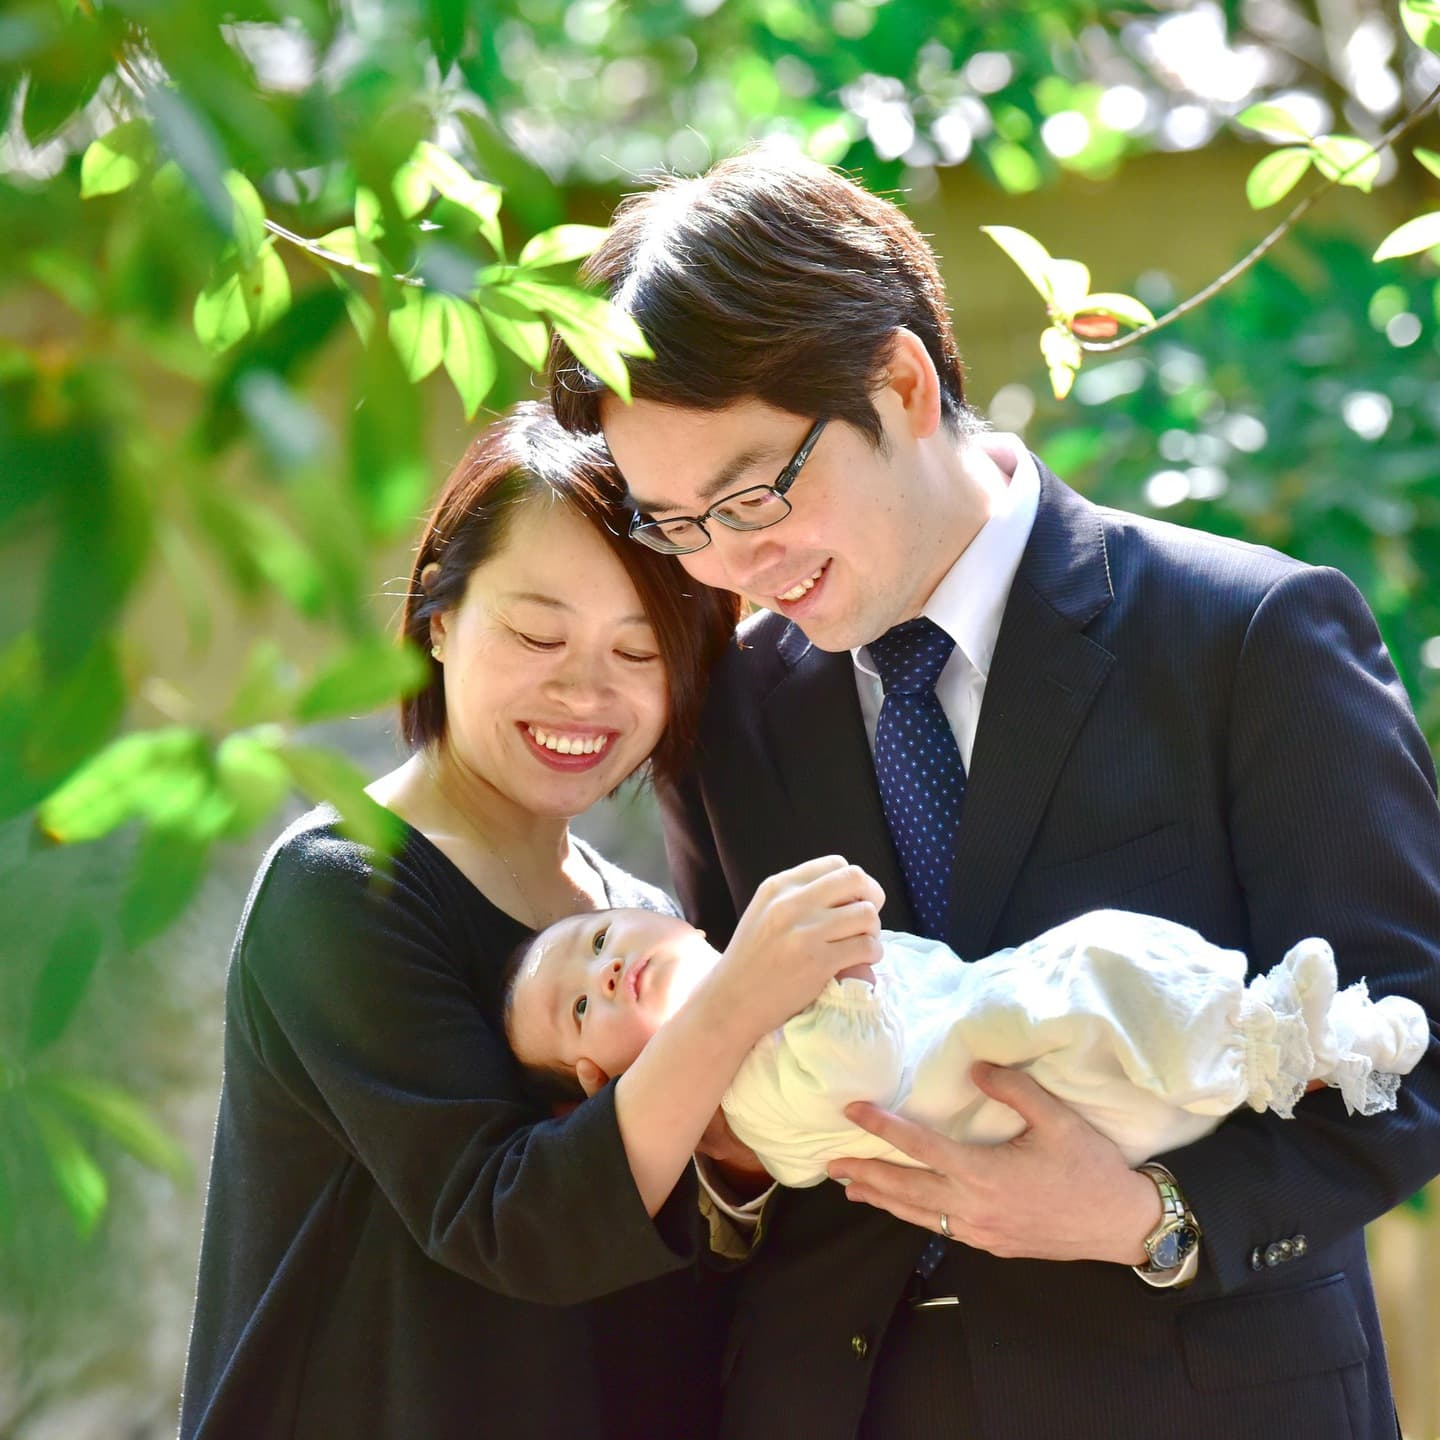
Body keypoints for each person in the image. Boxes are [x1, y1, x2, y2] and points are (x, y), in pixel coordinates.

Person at [549, 149, 1440, 1439]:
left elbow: (1417, 1043)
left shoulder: (1246, 635)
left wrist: (1151, 1218)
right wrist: (725, 1145)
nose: (734, 562)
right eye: (677, 524)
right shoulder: (729, 718)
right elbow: (750, 1108)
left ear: (902, 384)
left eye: (752, 491)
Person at [178, 402, 888, 1439]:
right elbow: (505, 1223)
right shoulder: (343, 887)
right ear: (438, 617)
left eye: (639, 652)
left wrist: (736, 1166)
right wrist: (733, 1005)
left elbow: (680, 1274)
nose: (584, 692)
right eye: (537, 633)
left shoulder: (638, 921)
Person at [503, 898, 1429, 1187]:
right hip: (1049, 1092)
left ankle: (1306, 1035)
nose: (606, 972)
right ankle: (1274, 1045)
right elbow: (858, 1074)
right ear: (601, 1077)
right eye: (579, 1006)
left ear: (666, 915)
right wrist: (848, 982)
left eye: (600, 939)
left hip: (1038, 1042)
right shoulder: (749, 1095)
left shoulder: (775, 933)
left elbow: (934, 966)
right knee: (1094, 963)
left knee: (1099, 947)